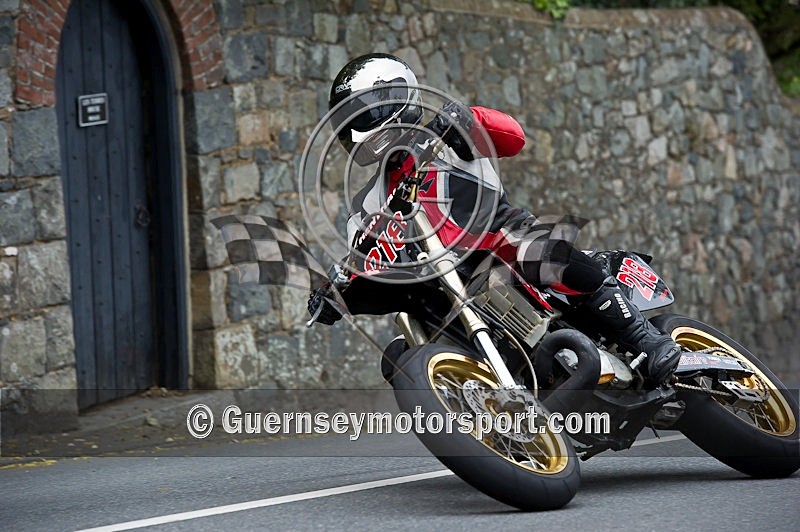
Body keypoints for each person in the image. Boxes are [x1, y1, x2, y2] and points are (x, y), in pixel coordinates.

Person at [308, 53, 681, 385]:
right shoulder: (365, 205)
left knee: (534, 249)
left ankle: (646, 338)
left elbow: (513, 138)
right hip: (443, 287)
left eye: (363, 112)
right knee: (399, 354)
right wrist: (336, 294)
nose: (355, 126)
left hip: (501, 240)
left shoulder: (441, 138)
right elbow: (366, 262)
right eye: (347, 118)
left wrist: (467, 121)